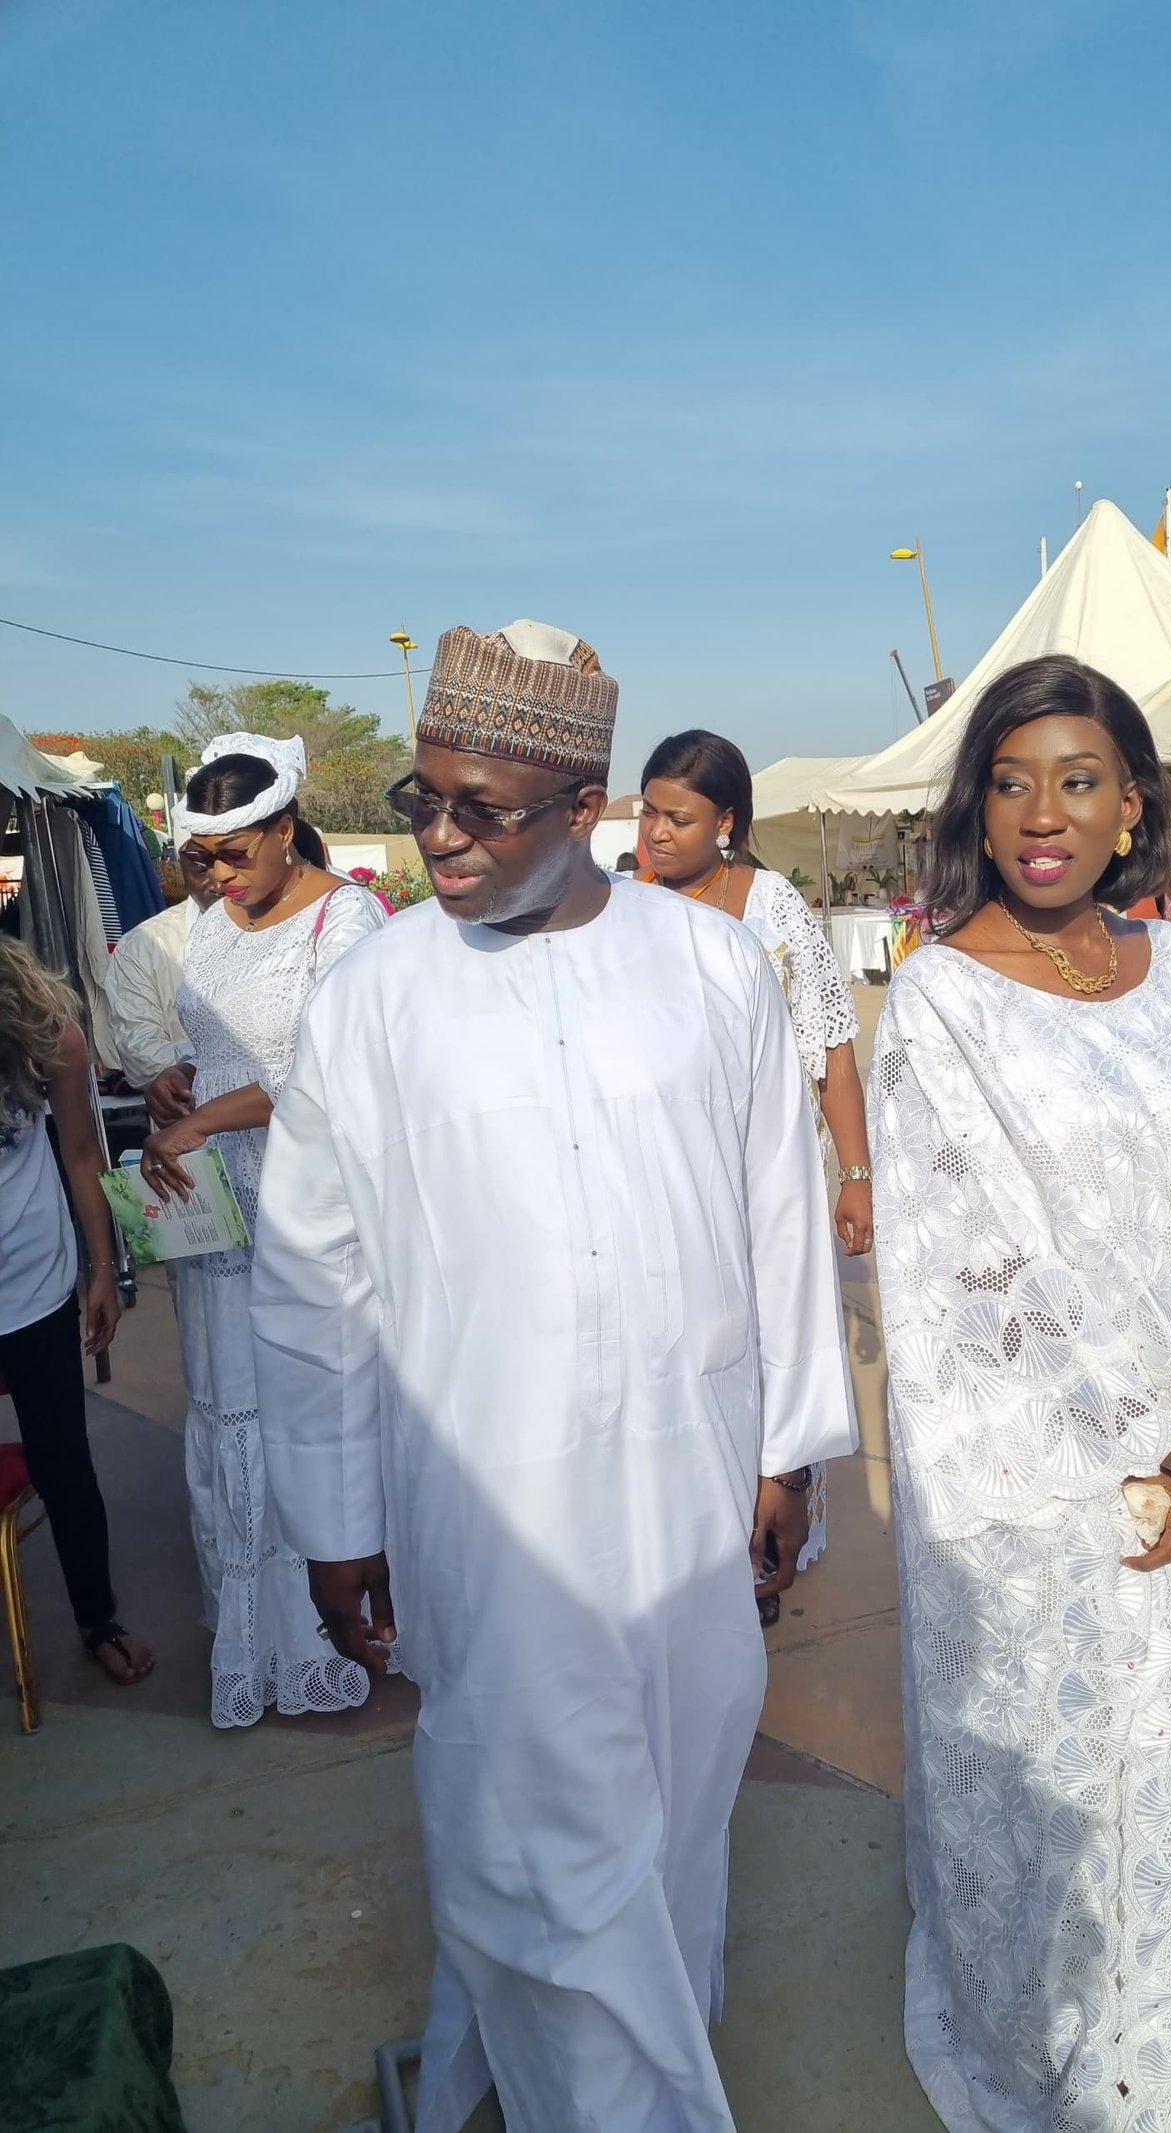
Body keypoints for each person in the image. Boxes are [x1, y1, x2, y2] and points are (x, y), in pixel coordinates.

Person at [246, 621, 857, 2133]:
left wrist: (790, 1450)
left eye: (486, 809)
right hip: (487, 1494)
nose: (440, 836)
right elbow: (315, 1276)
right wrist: (333, 1519)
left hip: (689, 1473)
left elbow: (781, 1214)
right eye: (424, 797)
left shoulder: (712, 965)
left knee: (677, 1803)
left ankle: (566, 2064)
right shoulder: (376, 994)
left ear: (586, 805)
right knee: (525, 1833)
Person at [868, 654, 1171, 2132]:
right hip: (1045, 1486)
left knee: (1168, 1804)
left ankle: (1168, 2080)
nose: (1042, 814)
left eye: (1078, 781)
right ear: (975, 808)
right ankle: (1083, 2084)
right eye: (1010, 782)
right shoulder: (938, 1004)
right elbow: (983, 1273)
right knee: (1064, 1813)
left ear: (1132, 806)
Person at [139, 733, 386, 1729]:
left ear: (287, 827)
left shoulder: (348, 921)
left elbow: (326, 1077)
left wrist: (203, 1117)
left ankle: (338, 1629)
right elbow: (218, 1045)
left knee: (313, 1413)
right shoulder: (211, 925)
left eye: (236, 853)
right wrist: (179, 1081)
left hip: (309, 1214)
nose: (220, 875)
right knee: (229, 1413)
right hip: (216, 1214)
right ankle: (257, 1639)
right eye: (203, 859)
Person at [639, 728, 866, 1617]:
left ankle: (767, 1539)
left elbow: (833, 1049)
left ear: (727, 822)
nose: (656, 832)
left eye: (678, 817)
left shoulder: (772, 908)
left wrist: (856, 1173)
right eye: (650, 813)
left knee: (775, 1347)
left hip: (768, 1180)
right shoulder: (627, 912)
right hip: (673, 1183)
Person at [0, 937, 153, 1686]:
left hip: (31, 1285)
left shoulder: (43, 1029)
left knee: (63, 1461)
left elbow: (83, 1153)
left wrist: (103, 1270)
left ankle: (98, 1618)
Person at [104, 839, 219, 1107]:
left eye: (234, 859)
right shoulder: (143, 946)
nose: (218, 880)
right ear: (183, 866)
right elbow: (140, 1057)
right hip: (190, 1124)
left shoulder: (290, 934)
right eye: (202, 867)